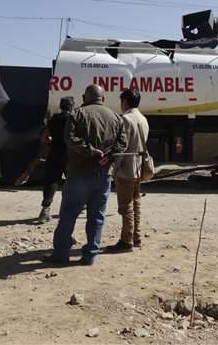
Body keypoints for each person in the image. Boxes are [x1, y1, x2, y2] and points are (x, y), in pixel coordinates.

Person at [45, 85, 127, 266]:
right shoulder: (116, 118)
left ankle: (61, 255)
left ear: (84, 96)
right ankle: (90, 255)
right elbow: (122, 144)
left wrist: (91, 152)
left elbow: (70, 139)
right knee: (97, 216)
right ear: (103, 98)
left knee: (68, 214)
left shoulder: (77, 115)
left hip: (78, 175)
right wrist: (109, 157)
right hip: (103, 176)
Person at [105, 89, 149, 253]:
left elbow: (121, 147)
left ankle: (126, 240)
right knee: (136, 203)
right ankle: (136, 237)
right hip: (139, 168)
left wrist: (112, 168)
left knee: (126, 207)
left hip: (126, 169)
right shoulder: (143, 119)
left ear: (124, 102)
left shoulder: (125, 119)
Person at [35, 96, 74, 223]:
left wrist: (51, 140)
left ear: (61, 106)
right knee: (73, 182)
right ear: (71, 107)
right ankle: (71, 210)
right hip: (70, 156)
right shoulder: (74, 119)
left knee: (51, 182)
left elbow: (44, 137)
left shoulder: (53, 119)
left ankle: (45, 210)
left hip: (54, 154)